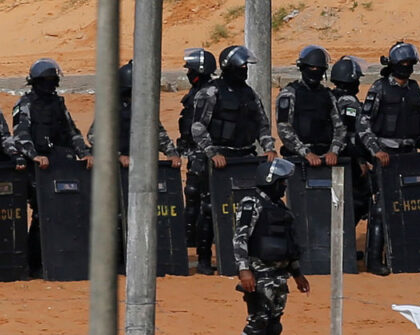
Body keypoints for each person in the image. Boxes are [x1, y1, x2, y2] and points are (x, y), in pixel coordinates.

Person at [359, 42, 420, 275]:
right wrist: (376, 151)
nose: (407, 68)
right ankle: (375, 259)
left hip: (410, 155)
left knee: (412, 205)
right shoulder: (379, 89)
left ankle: (411, 254)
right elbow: (364, 125)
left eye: (410, 64)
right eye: (403, 64)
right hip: (386, 156)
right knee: (380, 209)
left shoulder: (415, 90)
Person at [191, 45, 277, 273]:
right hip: (220, 158)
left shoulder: (249, 93)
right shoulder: (211, 92)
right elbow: (198, 127)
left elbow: (262, 124)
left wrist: (269, 147)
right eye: (241, 66)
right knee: (210, 208)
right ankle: (203, 258)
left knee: (250, 207)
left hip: (245, 158)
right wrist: (212, 153)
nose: (245, 70)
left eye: (246, 66)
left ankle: (246, 257)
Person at [229, 157, 309, 335]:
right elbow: (240, 237)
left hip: (279, 276)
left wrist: (298, 274)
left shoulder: (281, 209)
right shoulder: (250, 203)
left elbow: (289, 244)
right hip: (259, 273)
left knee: (273, 327)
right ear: (270, 181)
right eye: (281, 182)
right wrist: (244, 270)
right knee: (257, 325)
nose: (284, 187)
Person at [10, 58, 92, 276]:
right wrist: (34, 155)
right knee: (41, 213)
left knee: (70, 210)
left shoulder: (58, 104)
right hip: (38, 167)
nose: (51, 84)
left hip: (60, 163)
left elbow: (71, 131)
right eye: (46, 80)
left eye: (53, 80)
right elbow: (20, 135)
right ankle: (36, 262)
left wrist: (84, 153)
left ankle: (67, 259)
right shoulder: (25, 104)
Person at [87, 60, 180, 168]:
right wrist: (118, 156)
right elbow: (94, 137)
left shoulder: (143, 107)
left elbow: (157, 132)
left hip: (138, 164)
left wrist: (172, 153)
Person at [276, 45, 346, 169]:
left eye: (319, 68)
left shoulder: (328, 95)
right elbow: (284, 128)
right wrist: (306, 153)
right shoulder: (289, 94)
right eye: (311, 67)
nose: (315, 70)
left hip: (326, 159)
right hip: (298, 160)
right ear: (303, 68)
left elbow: (340, 127)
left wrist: (334, 151)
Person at [177, 48, 217, 260]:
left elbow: (200, 126)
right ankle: (189, 240)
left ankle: (203, 248)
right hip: (193, 152)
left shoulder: (209, 92)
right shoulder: (195, 92)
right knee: (192, 197)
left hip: (204, 154)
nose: (187, 73)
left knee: (206, 204)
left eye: (190, 70)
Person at [328, 55, 372, 226]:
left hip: (336, 154)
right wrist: (360, 160)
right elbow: (350, 133)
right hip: (349, 157)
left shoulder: (330, 96)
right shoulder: (349, 102)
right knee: (361, 200)